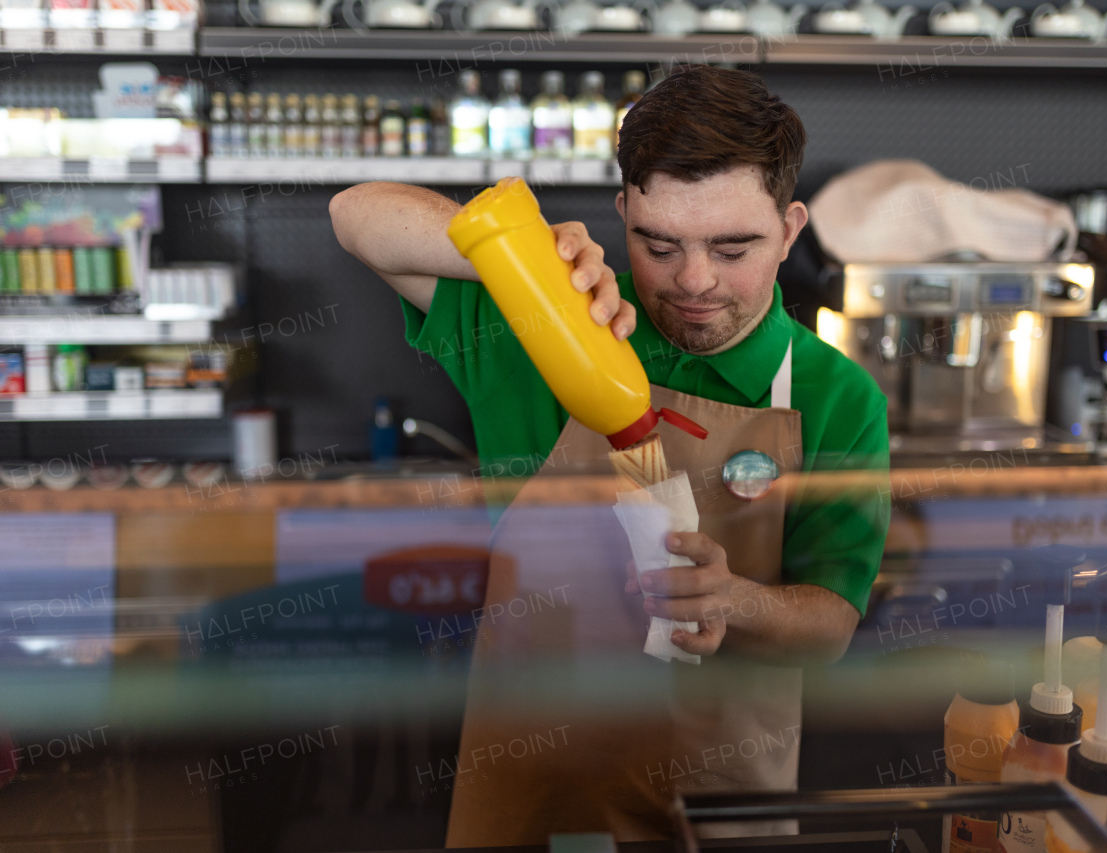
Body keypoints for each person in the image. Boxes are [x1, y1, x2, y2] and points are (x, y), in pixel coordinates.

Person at [330, 64, 888, 846]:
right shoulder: (550, 326)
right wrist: (522, 261)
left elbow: (830, 623)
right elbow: (355, 215)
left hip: (721, 795)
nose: (694, 281)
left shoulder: (837, 395)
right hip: (538, 782)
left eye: (733, 248)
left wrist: (735, 600)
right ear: (621, 211)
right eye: (659, 244)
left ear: (792, 229)